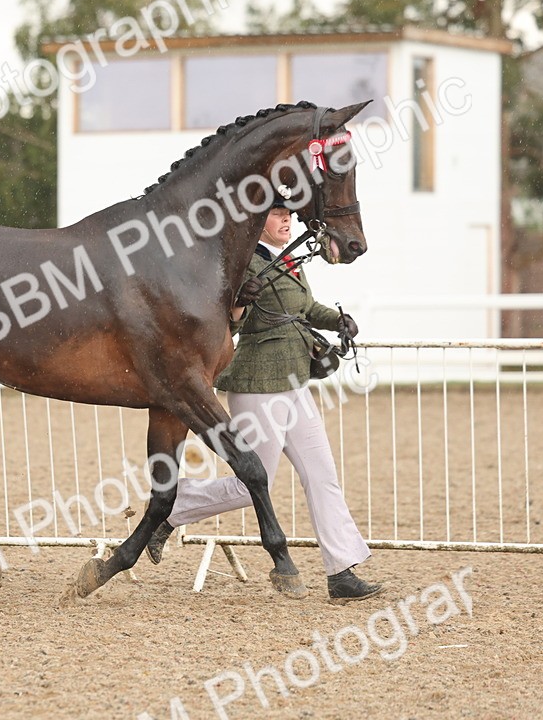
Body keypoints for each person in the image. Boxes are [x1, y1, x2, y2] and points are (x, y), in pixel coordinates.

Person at [146, 196, 383, 603]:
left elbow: (305, 307)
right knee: (250, 484)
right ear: (259, 221)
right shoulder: (245, 263)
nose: (287, 220)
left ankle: (341, 572)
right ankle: (171, 507)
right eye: (278, 214)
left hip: (294, 380)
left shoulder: (289, 258)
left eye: (289, 214)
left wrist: (337, 320)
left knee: (322, 475)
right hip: (259, 382)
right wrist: (240, 303)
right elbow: (228, 324)